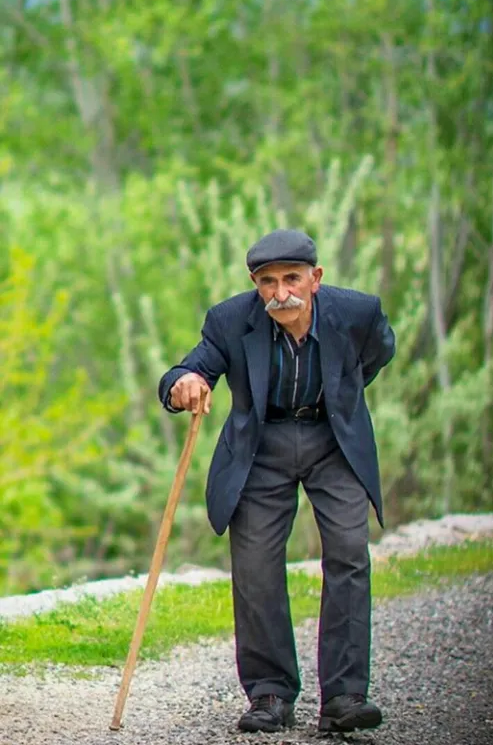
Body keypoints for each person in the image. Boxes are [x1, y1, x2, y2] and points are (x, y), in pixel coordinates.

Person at [158, 228, 395, 734]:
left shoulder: (358, 314)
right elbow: (191, 366)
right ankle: (269, 693)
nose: (280, 291)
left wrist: (339, 396)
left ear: (316, 278)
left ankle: (346, 697)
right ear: (254, 283)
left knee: (350, 552)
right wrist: (184, 383)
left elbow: (376, 356)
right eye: (268, 281)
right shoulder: (229, 319)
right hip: (260, 447)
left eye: (292, 278)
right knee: (256, 566)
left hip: (333, 440)